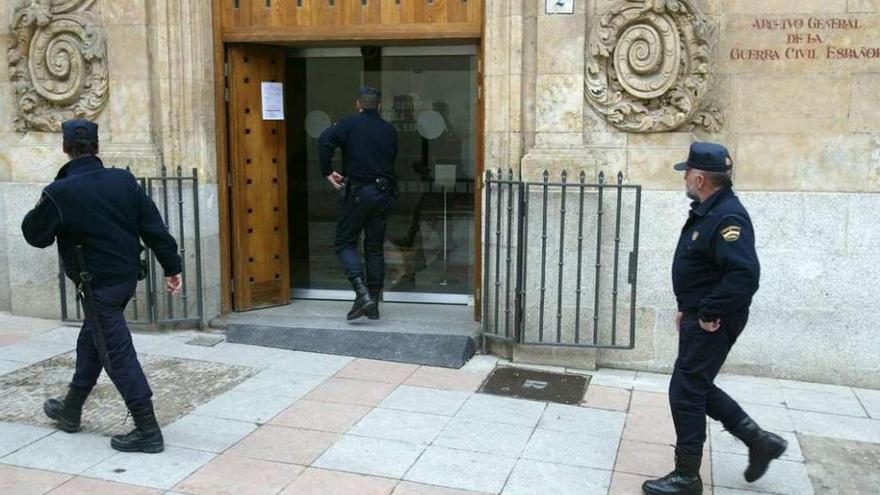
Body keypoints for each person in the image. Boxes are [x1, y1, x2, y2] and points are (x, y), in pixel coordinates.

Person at [21, 119, 182, 454]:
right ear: (97, 146)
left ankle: (147, 430)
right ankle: (71, 408)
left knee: (117, 354)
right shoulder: (122, 180)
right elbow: (153, 227)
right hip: (124, 281)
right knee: (93, 340)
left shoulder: (59, 192)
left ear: (65, 148)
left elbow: (35, 236)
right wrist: (172, 267)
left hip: (99, 288)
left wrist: (48, 202)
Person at [643, 142, 787, 495]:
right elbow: (705, 268)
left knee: (685, 390)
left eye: (687, 174)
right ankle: (758, 441)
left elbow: (743, 275)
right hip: (701, 313)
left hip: (714, 320)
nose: (685, 180)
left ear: (700, 178)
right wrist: (688, 306)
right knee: (696, 385)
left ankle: (687, 476)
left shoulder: (727, 217)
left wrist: (707, 312)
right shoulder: (711, 210)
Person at [318, 86, 398, 320]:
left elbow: (324, 141)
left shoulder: (348, 124)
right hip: (383, 194)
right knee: (374, 247)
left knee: (344, 242)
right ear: (380, 106)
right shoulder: (389, 130)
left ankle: (362, 293)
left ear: (358, 104)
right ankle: (371, 302)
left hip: (358, 193)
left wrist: (327, 171)